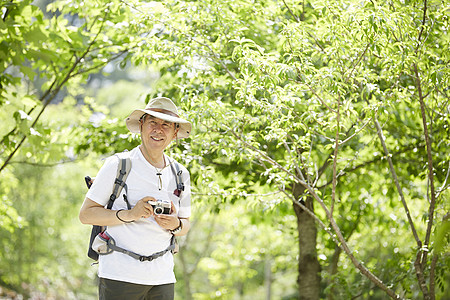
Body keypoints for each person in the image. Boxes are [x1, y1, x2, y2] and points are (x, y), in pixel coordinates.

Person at [79, 97, 192, 300]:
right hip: (119, 275)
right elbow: (86, 215)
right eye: (153, 123)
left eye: (166, 125)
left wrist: (175, 224)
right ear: (141, 125)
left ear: (175, 132)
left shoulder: (180, 173)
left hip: (163, 277)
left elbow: (185, 226)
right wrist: (130, 214)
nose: (158, 130)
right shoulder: (118, 165)